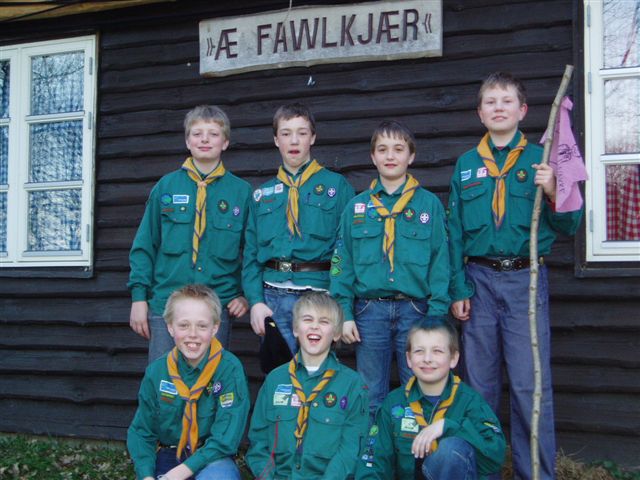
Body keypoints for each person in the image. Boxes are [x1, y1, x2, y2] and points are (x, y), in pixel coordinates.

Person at [447, 72, 583, 480]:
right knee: (480, 385)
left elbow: (571, 224)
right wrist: (458, 288)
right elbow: (454, 233)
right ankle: (482, 472)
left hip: (526, 280)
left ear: (522, 110)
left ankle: (535, 474)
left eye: (506, 101)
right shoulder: (466, 165)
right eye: (490, 102)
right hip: (478, 281)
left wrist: (554, 189)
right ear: (480, 113)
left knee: (529, 385)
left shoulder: (542, 158)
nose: (498, 107)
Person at [330, 120, 450, 416]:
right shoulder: (356, 208)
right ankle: (373, 445)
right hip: (369, 312)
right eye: (382, 149)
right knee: (370, 393)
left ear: (411, 156)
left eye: (398, 149)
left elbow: (441, 263)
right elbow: (342, 264)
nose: (390, 156)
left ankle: (419, 446)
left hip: (417, 310)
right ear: (373, 157)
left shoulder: (429, 205)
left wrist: (436, 315)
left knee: (420, 387)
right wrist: (344, 314)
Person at [128, 105, 251, 362]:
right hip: (167, 305)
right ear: (187, 141)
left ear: (225, 142)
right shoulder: (166, 187)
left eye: (213, 134)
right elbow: (145, 245)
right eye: (197, 134)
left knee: (211, 380)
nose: (205, 139)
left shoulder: (241, 192)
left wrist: (245, 295)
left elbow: (253, 251)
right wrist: (139, 298)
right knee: (165, 380)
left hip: (216, 306)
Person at [243, 103, 355, 359]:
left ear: (312, 137)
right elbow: (251, 254)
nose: (294, 141)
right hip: (272, 297)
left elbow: (345, 251)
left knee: (318, 372)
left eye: (302, 133)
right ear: (276, 140)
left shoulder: (337, 187)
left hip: (319, 295)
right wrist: (256, 301)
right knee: (279, 373)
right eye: (286, 133)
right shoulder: (262, 195)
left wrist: (337, 297)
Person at [355, 318, 506, 480]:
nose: (427, 358)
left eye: (437, 351)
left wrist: (449, 427)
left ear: (453, 358)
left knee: (450, 449)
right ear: (409, 359)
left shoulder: (470, 401)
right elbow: (374, 461)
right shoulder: (394, 403)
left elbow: (495, 456)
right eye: (419, 351)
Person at [127, 284, 250, 480]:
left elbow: (226, 436)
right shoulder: (157, 371)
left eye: (202, 326)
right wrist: (146, 475)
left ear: (215, 328)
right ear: (170, 327)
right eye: (183, 325)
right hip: (169, 454)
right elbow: (142, 432)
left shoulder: (229, 369)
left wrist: (180, 473)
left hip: (211, 457)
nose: (193, 334)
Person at [246, 292, 369, 479]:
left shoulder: (352, 385)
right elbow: (259, 443)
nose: (314, 326)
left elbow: (350, 451)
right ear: (295, 328)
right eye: (307, 319)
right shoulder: (275, 380)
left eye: (324, 321)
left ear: (336, 333)